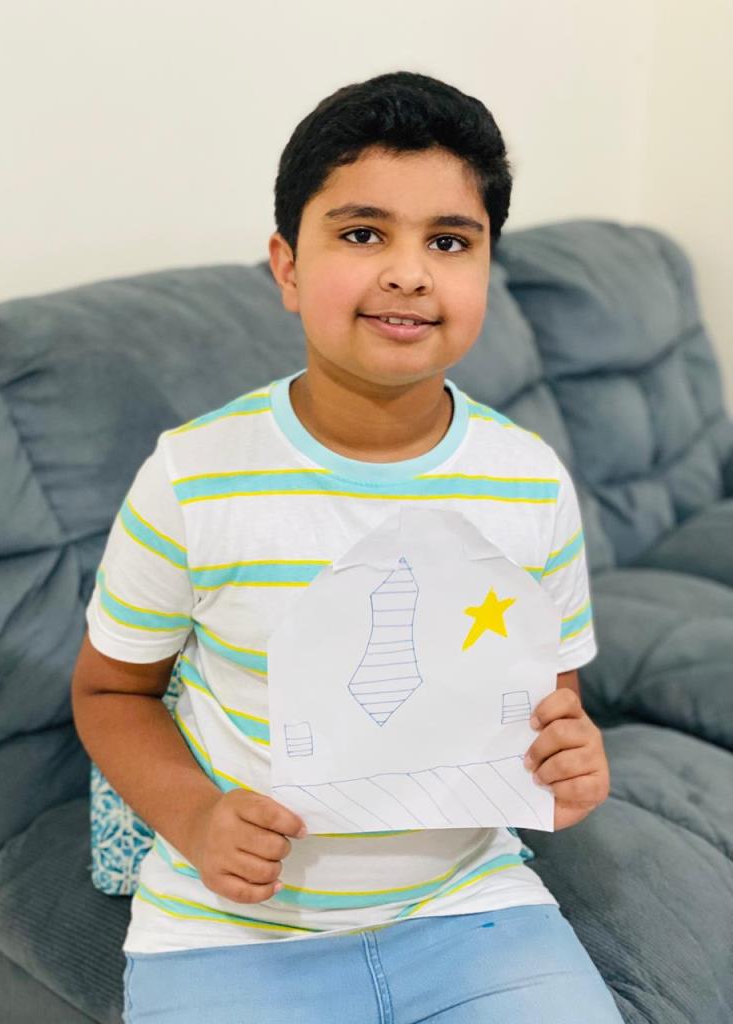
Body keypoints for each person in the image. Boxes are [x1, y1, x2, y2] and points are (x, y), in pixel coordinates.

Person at [71, 70, 624, 1023]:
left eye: (449, 241)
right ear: (287, 268)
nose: (409, 272)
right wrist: (197, 818)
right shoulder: (194, 475)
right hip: (228, 931)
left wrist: (566, 761)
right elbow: (110, 692)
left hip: (471, 907)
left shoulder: (529, 480)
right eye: (363, 233)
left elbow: (547, 700)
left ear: (487, 269)